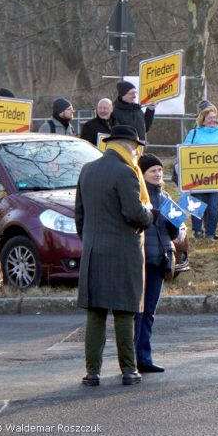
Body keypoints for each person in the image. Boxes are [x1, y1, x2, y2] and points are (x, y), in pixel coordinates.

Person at [75, 125, 154, 387]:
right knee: (124, 312)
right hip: (124, 252)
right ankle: (129, 371)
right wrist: (149, 216)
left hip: (94, 251)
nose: (137, 153)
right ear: (130, 146)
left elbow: (80, 216)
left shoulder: (87, 170)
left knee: (96, 313)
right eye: (136, 148)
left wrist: (90, 240)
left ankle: (92, 373)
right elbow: (133, 212)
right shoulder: (126, 172)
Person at [134, 153, 179, 374]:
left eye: (160, 170)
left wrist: (176, 223)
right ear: (143, 174)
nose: (158, 174)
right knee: (138, 312)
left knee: (149, 311)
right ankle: (135, 358)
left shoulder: (165, 198)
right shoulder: (140, 198)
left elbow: (172, 233)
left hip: (161, 259)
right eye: (153, 171)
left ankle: (145, 358)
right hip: (143, 260)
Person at [183, 101, 218, 239]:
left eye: (214, 118)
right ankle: (197, 231)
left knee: (214, 207)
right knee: (197, 204)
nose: (213, 120)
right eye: (209, 118)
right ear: (203, 120)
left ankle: (211, 233)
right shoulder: (194, 132)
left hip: (215, 177)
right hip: (198, 176)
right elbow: (185, 150)